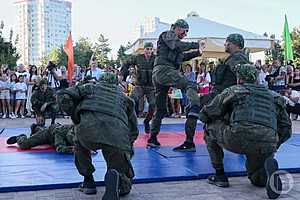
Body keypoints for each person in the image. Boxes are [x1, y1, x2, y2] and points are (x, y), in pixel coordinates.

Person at [199, 64, 291, 199]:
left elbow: (207, 113)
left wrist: (223, 118)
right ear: (257, 79)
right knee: (257, 180)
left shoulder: (234, 91)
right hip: (266, 142)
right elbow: (286, 128)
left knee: (209, 128)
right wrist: (274, 145)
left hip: (237, 137)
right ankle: (265, 175)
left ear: (239, 79)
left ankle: (220, 175)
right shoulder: (274, 97)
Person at [56, 72, 139, 200]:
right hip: (117, 135)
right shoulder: (126, 99)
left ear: (100, 81)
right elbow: (133, 130)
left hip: (88, 131)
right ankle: (118, 180)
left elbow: (62, 94)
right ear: (116, 84)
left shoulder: (89, 87)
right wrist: (127, 149)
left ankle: (88, 181)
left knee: (79, 142)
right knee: (118, 158)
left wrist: (74, 115)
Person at [174, 33, 250, 152]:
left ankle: (189, 142)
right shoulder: (238, 57)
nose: (225, 45)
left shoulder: (237, 58)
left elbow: (242, 75)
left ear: (235, 45)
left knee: (193, 108)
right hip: (225, 94)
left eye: (228, 43)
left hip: (223, 95)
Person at [148, 19, 206, 147]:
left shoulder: (173, 45)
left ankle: (152, 138)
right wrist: (196, 45)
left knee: (161, 109)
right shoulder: (168, 35)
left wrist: (197, 52)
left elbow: (181, 57)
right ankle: (194, 107)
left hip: (161, 73)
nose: (185, 34)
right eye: (183, 30)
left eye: (187, 32)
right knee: (190, 85)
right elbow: (177, 45)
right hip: (164, 70)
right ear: (175, 27)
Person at [121, 42, 156, 133]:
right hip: (140, 85)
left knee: (153, 104)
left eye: (150, 49)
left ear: (153, 50)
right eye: (147, 49)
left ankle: (147, 121)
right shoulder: (138, 58)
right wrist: (123, 77)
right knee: (131, 99)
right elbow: (126, 63)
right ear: (144, 49)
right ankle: (128, 121)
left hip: (151, 86)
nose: (149, 51)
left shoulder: (156, 58)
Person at [6, 123, 75, 154]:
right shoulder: (62, 131)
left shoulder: (82, 131)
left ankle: (36, 128)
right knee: (24, 145)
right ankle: (19, 137)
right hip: (48, 134)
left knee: (41, 132)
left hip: (53, 137)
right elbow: (60, 148)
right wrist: (72, 150)